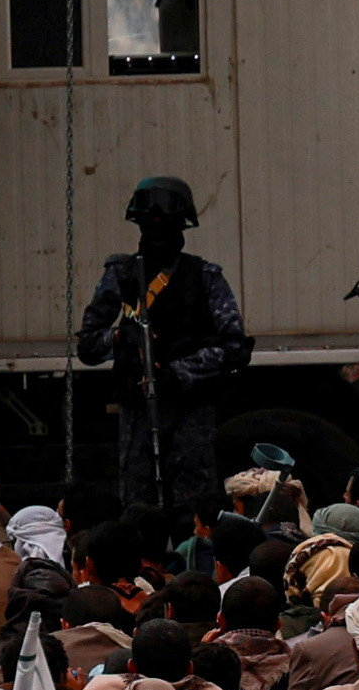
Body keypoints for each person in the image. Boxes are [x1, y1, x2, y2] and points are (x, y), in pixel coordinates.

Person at [82, 176, 251, 522]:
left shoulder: (205, 277)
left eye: (167, 223)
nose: (158, 231)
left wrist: (180, 372)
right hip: (138, 410)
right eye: (150, 223)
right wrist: (119, 339)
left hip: (189, 411)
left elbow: (235, 348)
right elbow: (88, 346)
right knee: (139, 510)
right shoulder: (121, 273)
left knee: (194, 511)